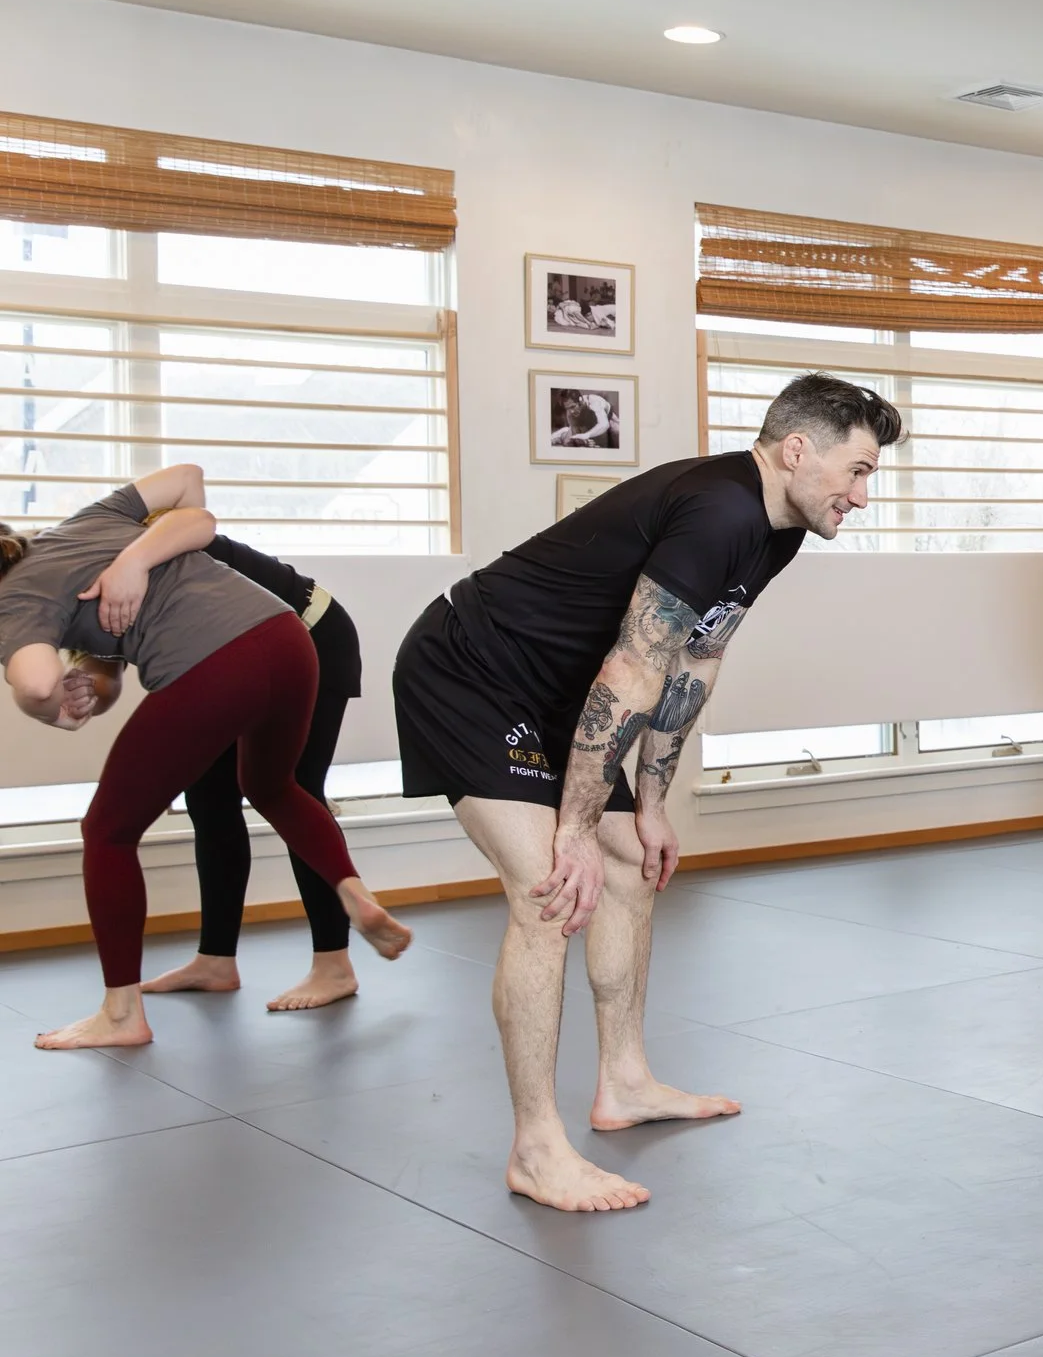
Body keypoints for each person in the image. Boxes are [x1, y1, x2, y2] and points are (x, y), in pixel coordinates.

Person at [393, 373, 902, 1211]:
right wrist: (572, 829)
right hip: (471, 671)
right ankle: (536, 1147)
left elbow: (692, 660)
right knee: (550, 890)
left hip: (566, 690)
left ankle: (624, 1081)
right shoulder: (722, 510)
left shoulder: (778, 530)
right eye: (856, 471)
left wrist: (653, 803)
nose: (861, 495)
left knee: (630, 862)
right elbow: (632, 668)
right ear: (797, 449)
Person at [0, 471, 411, 1051]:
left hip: (294, 632)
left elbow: (37, 680)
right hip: (286, 638)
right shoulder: (82, 529)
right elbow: (107, 671)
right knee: (260, 788)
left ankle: (126, 1013)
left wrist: (38, 696)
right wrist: (78, 695)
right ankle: (298, 919)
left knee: (108, 830)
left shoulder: (17, 602)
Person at [136, 534, 367, 1011]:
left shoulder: (101, 547)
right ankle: (215, 960)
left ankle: (335, 965)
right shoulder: (64, 586)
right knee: (208, 794)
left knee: (295, 791)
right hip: (226, 652)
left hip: (310, 634)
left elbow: (197, 517)